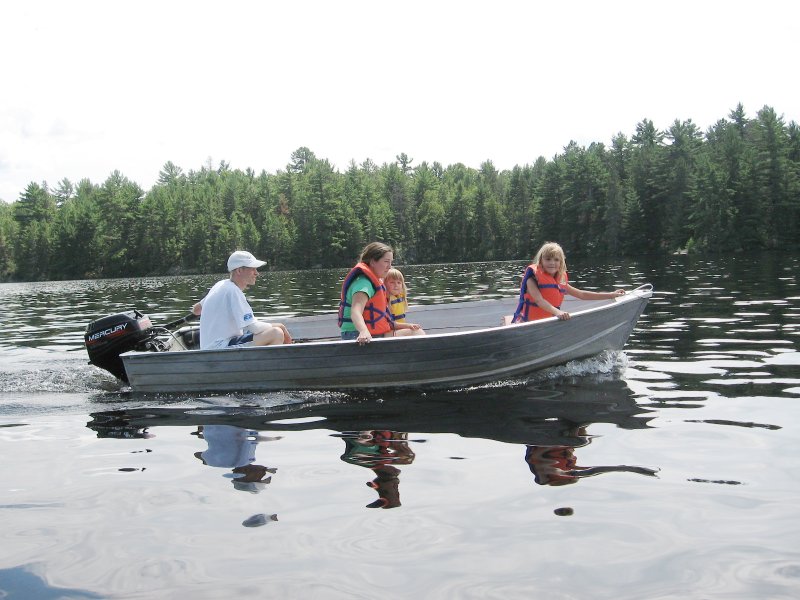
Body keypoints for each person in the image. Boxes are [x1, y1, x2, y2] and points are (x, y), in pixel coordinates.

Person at [191, 250, 291, 350]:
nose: (257, 273)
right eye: (253, 269)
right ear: (239, 271)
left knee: (256, 332)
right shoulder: (233, 291)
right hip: (219, 348)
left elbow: (196, 310)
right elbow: (254, 328)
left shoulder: (220, 285)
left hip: (210, 346)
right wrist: (281, 326)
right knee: (276, 333)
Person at [511, 241, 625, 323]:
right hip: (528, 323)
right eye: (548, 259)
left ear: (561, 263)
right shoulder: (531, 280)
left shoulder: (560, 281)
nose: (552, 263)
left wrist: (611, 294)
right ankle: (509, 320)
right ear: (540, 261)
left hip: (548, 323)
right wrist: (558, 312)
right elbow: (539, 300)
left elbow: (582, 294)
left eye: (556, 260)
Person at [338, 242, 424, 344]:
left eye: (391, 262)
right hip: (358, 335)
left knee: (415, 331)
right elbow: (355, 312)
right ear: (373, 261)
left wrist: (407, 325)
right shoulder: (363, 284)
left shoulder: (374, 282)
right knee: (416, 334)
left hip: (372, 334)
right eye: (386, 261)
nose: (389, 267)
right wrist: (363, 331)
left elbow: (385, 320)